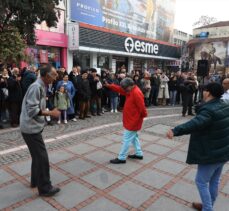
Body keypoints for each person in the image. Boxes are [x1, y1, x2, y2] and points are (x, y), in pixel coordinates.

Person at [167, 82, 229, 211]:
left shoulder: (209, 110)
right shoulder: (224, 105)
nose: (202, 92)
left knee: (201, 181)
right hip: (222, 151)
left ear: (209, 92)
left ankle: (207, 208)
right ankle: (209, 204)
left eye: (204, 90)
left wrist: (175, 130)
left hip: (211, 152)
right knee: (214, 180)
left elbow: (195, 123)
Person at [20, 65, 61, 197]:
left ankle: (35, 181)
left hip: (31, 127)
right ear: (46, 75)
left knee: (37, 157)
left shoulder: (41, 86)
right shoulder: (36, 87)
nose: (56, 77)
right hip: (30, 129)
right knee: (42, 158)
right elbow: (32, 110)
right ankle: (45, 188)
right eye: (54, 75)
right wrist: (51, 113)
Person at [105, 77, 147, 164]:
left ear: (131, 85)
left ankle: (121, 158)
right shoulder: (130, 90)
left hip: (133, 121)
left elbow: (142, 108)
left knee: (126, 139)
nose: (124, 89)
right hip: (131, 120)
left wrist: (141, 117)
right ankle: (139, 153)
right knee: (134, 138)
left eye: (125, 88)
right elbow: (120, 89)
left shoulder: (136, 92)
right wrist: (110, 86)